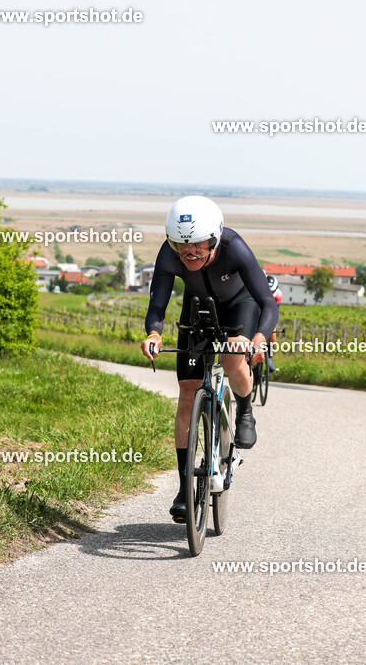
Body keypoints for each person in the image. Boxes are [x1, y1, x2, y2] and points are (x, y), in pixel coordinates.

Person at [141, 196, 279, 522]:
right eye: (180, 245)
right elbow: (158, 305)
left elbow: (267, 302)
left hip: (240, 306)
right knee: (188, 391)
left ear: (214, 239)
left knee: (232, 360)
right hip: (198, 309)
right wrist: (154, 333)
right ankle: (185, 487)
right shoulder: (168, 254)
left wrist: (258, 338)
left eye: (199, 246)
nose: (189, 253)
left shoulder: (235, 247)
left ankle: (244, 411)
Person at [264, 272, 282, 373]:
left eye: (272, 291)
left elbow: (274, 312)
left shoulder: (278, 295)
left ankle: (270, 356)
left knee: (273, 330)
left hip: (271, 311)